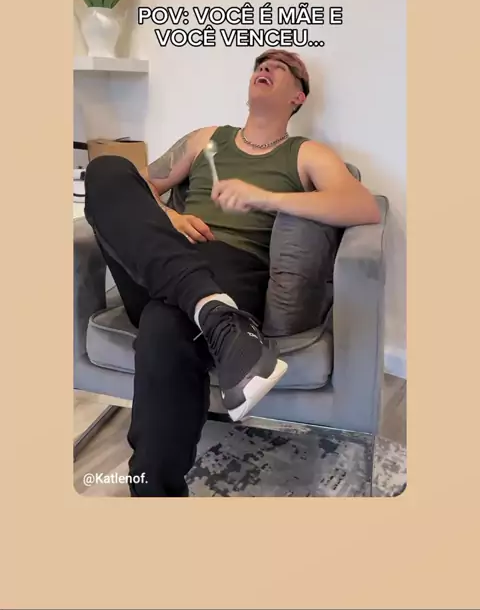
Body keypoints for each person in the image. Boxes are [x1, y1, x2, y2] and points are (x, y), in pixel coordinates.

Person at [84, 50, 381, 496]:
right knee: (107, 168)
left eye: (280, 67)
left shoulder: (305, 153)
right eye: (261, 64)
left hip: (233, 269)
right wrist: (169, 218)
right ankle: (213, 313)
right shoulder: (207, 138)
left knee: (165, 325)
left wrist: (264, 197)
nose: (265, 67)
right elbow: (138, 186)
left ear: (298, 97)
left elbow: (364, 206)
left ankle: (153, 496)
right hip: (160, 262)